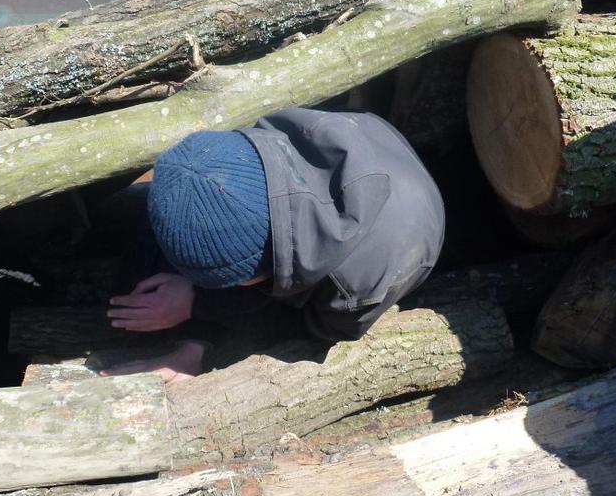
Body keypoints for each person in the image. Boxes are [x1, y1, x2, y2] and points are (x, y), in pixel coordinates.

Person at [101, 106, 445, 382]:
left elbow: (306, 328)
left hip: (406, 228)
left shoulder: (356, 289)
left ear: (252, 279)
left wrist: (198, 308)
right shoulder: (240, 154)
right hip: (364, 143)